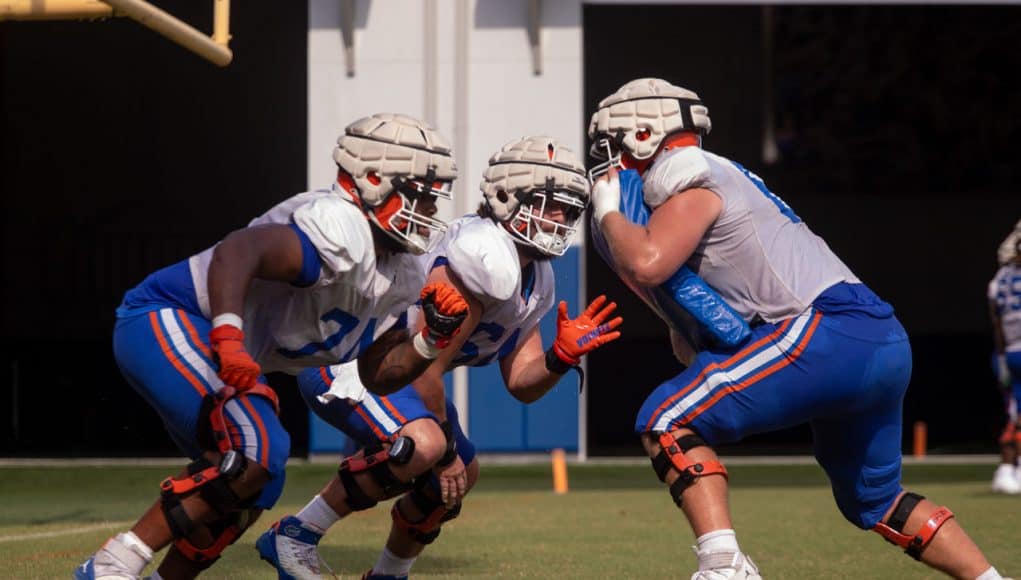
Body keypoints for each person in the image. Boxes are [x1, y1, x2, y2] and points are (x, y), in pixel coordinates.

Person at [587, 78, 1008, 580]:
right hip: (878, 337)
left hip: (827, 330)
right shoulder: (720, 174)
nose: (611, 162)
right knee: (873, 501)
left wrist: (609, 211)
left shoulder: (683, 173)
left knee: (665, 417)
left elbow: (647, 262)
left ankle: (724, 564)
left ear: (643, 133)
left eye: (613, 145)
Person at [74, 113, 471, 580]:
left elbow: (373, 374)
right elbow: (239, 250)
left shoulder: (401, 271)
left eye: (431, 198)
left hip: (208, 340)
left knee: (254, 483)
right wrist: (227, 333)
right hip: (168, 316)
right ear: (372, 179)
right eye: (418, 193)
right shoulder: (339, 224)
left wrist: (429, 341)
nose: (426, 210)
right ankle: (111, 565)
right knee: (257, 447)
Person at [255, 136, 622, 580]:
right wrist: (444, 449)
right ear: (508, 197)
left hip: (406, 373)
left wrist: (559, 358)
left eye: (569, 209)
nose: (562, 218)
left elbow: (522, 383)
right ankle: (296, 533)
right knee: (428, 448)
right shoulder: (484, 254)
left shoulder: (536, 275)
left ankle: (389, 574)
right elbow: (428, 362)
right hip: (358, 366)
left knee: (460, 476)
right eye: (550, 204)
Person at [989, 226, 1021, 494]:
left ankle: (1008, 469)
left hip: (1008, 352)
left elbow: (996, 323)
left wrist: (1000, 357)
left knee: (1014, 411)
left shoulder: (999, 280)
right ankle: (1012, 467)